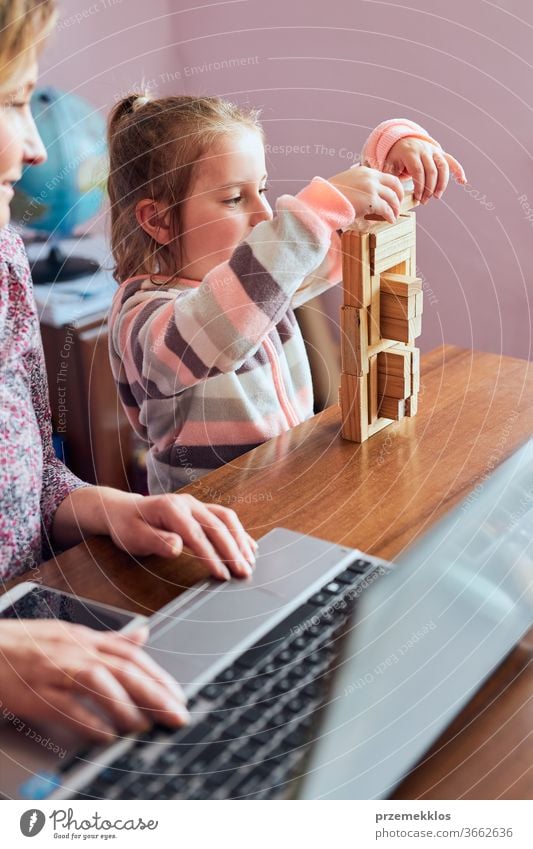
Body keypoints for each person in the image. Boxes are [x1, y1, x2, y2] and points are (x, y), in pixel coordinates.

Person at [0, 0, 256, 744]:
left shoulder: (7, 261)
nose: (39, 147)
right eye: (15, 103)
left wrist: (109, 507)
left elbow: (29, 480)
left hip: (44, 628)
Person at [107, 96, 465, 495]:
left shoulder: (264, 285)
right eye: (234, 198)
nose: (264, 213)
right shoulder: (142, 317)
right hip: (208, 531)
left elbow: (337, 237)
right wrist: (312, 212)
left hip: (291, 498)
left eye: (262, 189)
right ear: (158, 219)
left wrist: (390, 159)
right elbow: (223, 321)